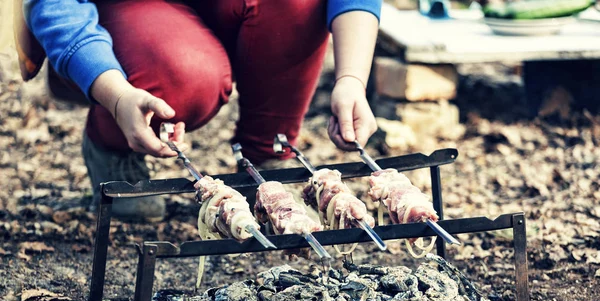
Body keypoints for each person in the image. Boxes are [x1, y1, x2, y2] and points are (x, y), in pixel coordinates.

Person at [16, 0, 381, 221]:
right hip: (131, 14)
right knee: (184, 75)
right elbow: (56, 6)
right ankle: (112, 142)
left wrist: (351, 78)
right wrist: (115, 95)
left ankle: (268, 154)